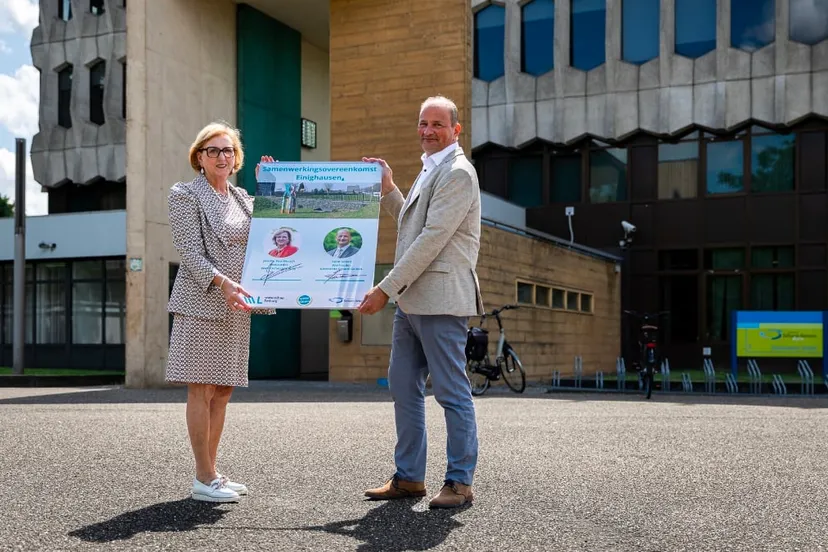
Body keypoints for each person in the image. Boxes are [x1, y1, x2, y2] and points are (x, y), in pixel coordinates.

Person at [359, 96, 485, 509]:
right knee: (402, 386)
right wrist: (389, 189)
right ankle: (410, 478)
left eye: (437, 124)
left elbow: (431, 239)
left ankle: (460, 482)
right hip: (412, 303)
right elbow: (412, 226)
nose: (428, 130)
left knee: (451, 392)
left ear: (455, 130)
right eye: (422, 123)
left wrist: (385, 289)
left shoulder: (458, 173)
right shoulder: (431, 170)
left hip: (442, 301)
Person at [166, 121, 272, 503]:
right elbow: (189, 252)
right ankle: (203, 476)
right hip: (202, 301)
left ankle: (212, 472)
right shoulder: (185, 194)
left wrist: (270, 186)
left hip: (236, 304)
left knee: (223, 391)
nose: (222, 156)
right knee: (202, 388)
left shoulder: (243, 197)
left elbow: (275, 231)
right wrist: (223, 282)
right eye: (213, 150)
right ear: (199, 157)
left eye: (228, 150)